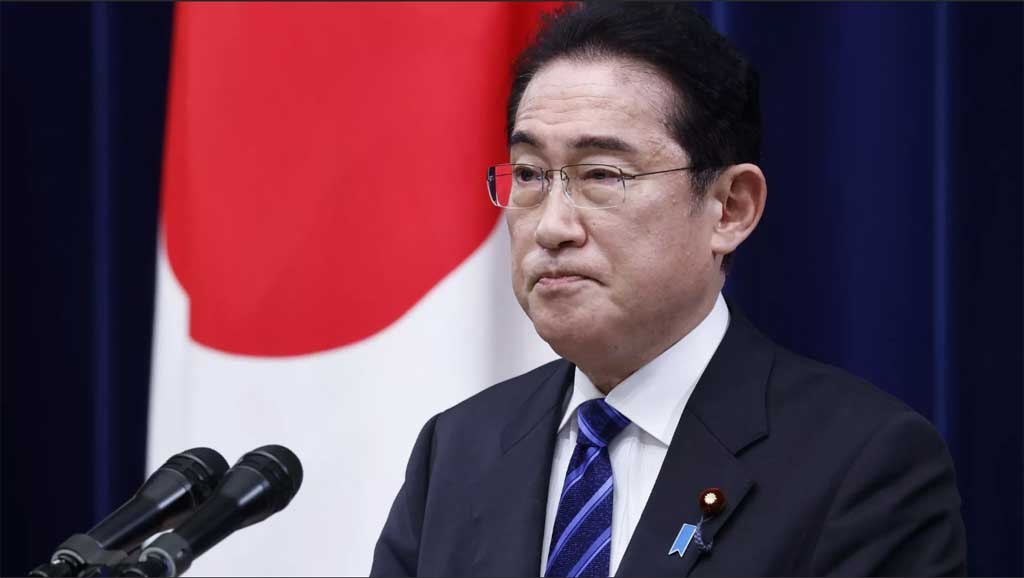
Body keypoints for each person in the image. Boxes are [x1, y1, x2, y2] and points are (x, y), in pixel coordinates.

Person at [370, 3, 967, 576]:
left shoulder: (862, 464)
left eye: (601, 175)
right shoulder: (457, 450)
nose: (551, 227)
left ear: (730, 208)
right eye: (529, 174)